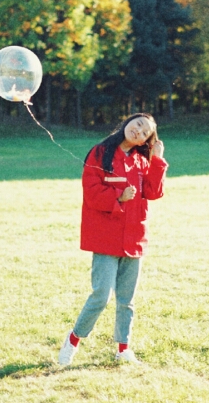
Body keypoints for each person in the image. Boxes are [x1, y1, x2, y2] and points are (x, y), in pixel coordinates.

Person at [58, 113, 167, 366]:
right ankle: (73, 340)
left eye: (145, 132)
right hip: (107, 238)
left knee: (127, 300)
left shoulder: (142, 160)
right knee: (101, 295)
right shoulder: (101, 152)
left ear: (146, 140)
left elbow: (153, 192)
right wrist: (119, 197)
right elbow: (92, 190)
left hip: (134, 237)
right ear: (128, 122)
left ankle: (123, 349)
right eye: (137, 124)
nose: (138, 131)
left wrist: (158, 161)